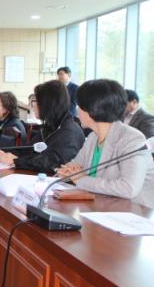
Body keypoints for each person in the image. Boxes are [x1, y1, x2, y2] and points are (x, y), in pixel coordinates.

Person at [57, 80, 154, 208]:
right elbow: (73, 167)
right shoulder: (93, 137)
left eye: (79, 106)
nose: (77, 110)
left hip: (135, 212)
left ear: (92, 109)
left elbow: (128, 188)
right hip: (99, 207)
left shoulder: (132, 139)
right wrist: (66, 171)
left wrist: (81, 179)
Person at [0, 80, 85, 173]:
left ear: (49, 104)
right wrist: (6, 154)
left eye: (36, 101)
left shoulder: (70, 132)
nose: (33, 106)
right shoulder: (50, 125)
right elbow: (29, 149)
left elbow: (50, 162)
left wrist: (16, 161)